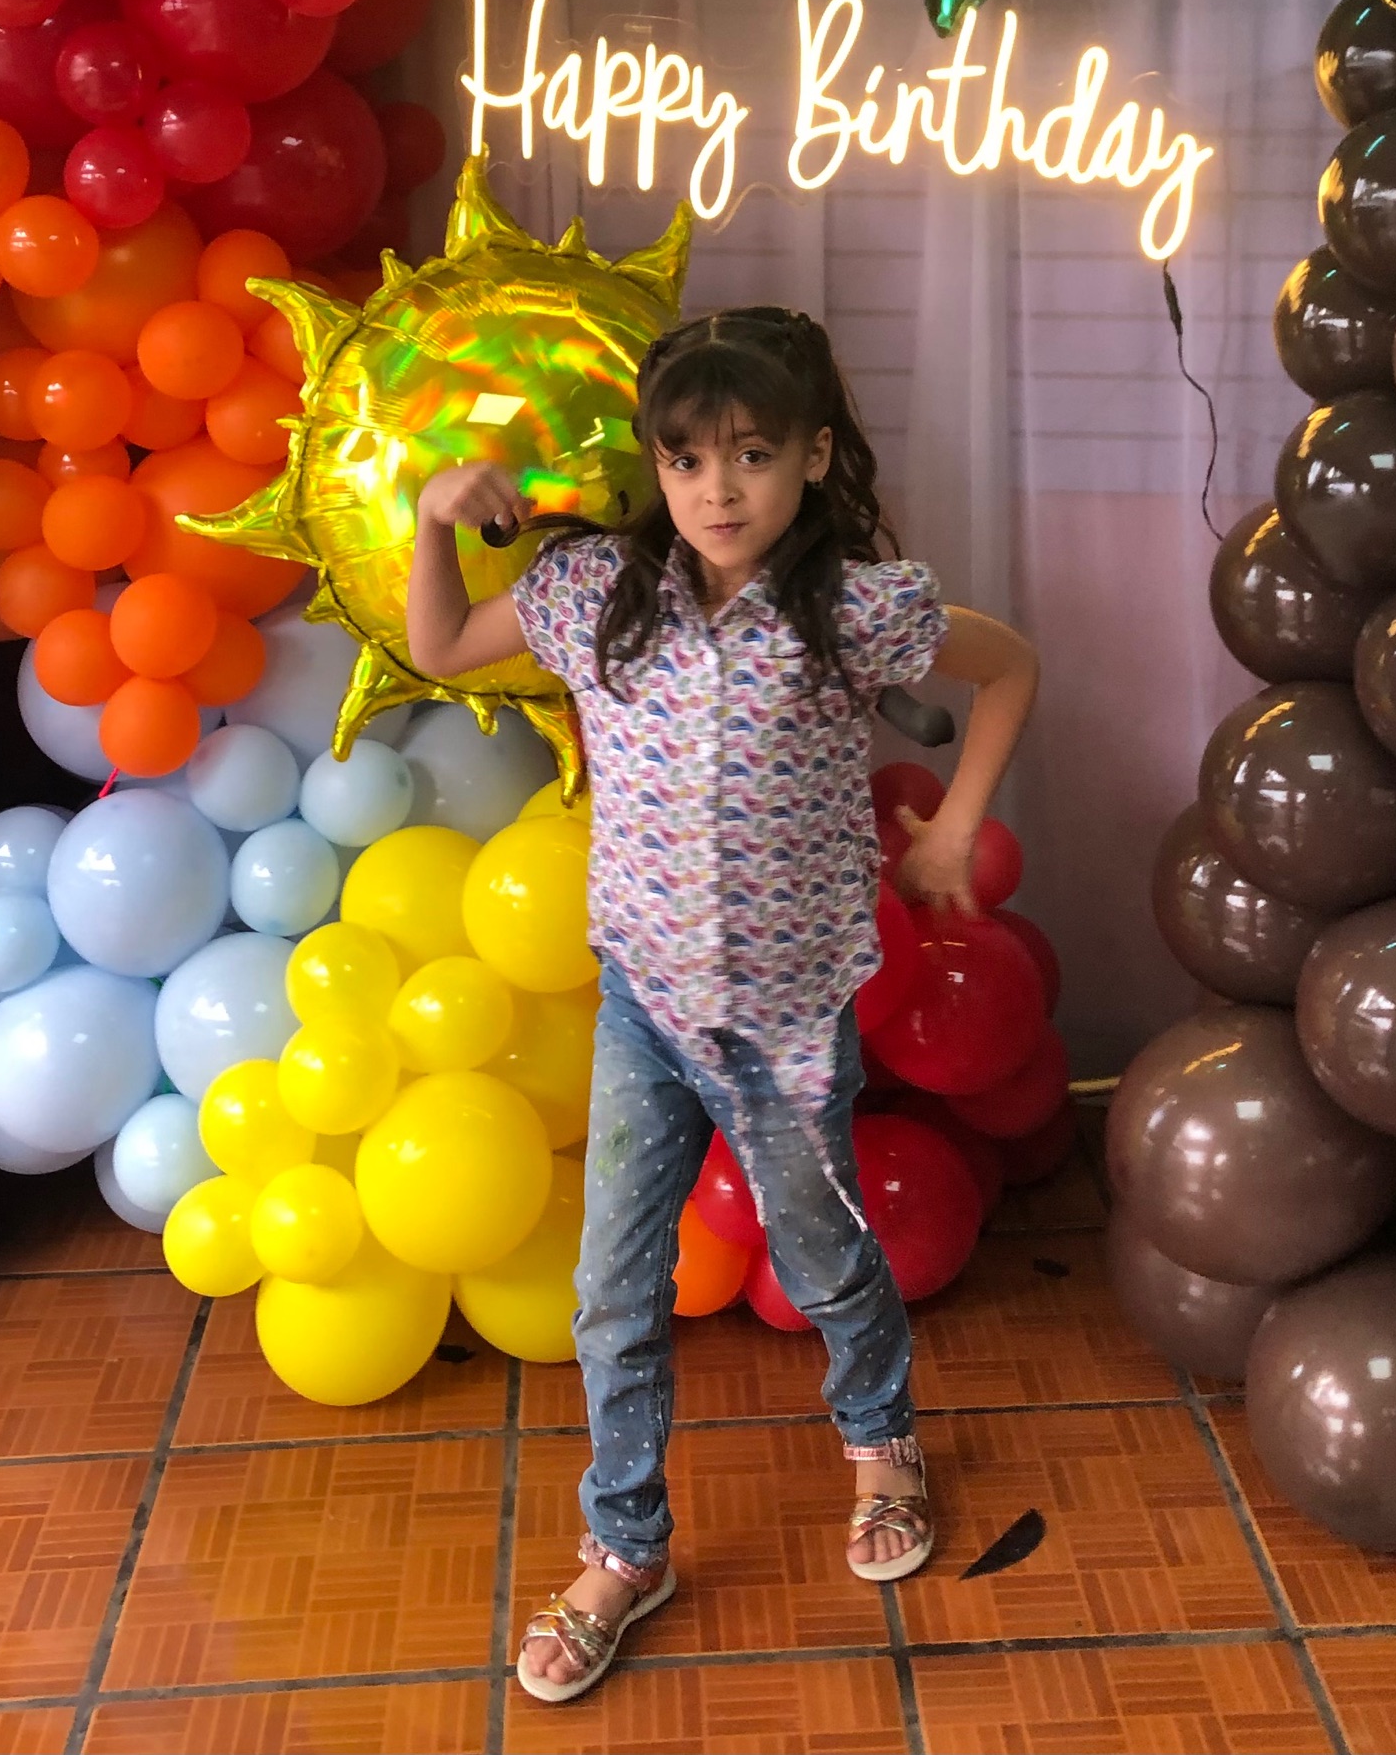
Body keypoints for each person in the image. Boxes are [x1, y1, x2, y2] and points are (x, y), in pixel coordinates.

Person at [406, 304, 1040, 1707]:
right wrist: (435, 518)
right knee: (611, 1288)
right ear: (656, 467)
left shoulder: (852, 608)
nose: (720, 490)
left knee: (823, 1257)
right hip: (644, 1001)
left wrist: (953, 829)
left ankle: (881, 1442)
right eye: (687, 460)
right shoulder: (596, 595)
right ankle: (625, 1547)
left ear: (812, 457)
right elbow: (441, 644)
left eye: (753, 455)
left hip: (788, 1019)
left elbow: (1007, 667)